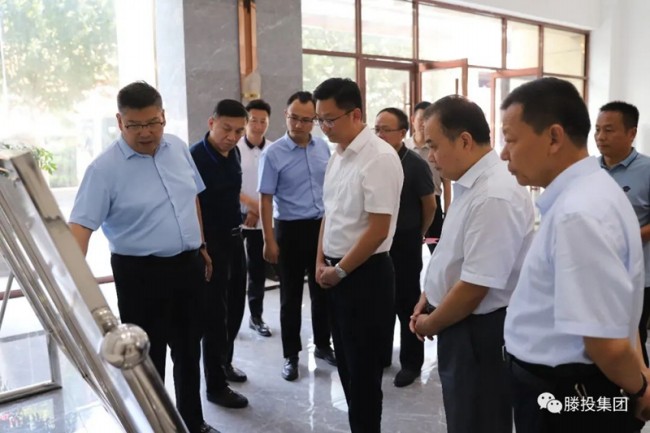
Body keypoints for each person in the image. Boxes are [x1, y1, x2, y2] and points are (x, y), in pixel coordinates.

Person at [500, 77, 649, 433]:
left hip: (567, 397)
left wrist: (641, 389)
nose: (504, 153)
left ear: (554, 137)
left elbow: (605, 343)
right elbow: (617, 312)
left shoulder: (578, 212)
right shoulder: (592, 191)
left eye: (510, 139)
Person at [69, 81, 219, 433]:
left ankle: (192, 422)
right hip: (140, 274)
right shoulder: (103, 169)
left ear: (163, 116)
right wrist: (75, 287)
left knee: (188, 349)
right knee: (148, 360)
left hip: (188, 266)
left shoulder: (178, 148)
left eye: (153, 122)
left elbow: (191, 198)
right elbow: (80, 228)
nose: (146, 132)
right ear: (119, 122)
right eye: (134, 125)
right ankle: (153, 427)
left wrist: (200, 245)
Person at [411, 95, 535, 433]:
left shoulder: (494, 194)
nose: (431, 157)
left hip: (478, 330)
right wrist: (428, 295)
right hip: (459, 321)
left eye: (434, 146)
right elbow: (455, 254)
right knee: (463, 415)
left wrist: (430, 323)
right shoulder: (470, 183)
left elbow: (475, 286)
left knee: (477, 419)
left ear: (464, 140)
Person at [314, 78, 403, 433]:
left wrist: (340, 271)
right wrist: (320, 261)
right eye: (320, 119)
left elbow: (379, 229)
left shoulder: (379, 157)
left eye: (329, 119)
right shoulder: (337, 156)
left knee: (364, 373)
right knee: (347, 367)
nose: (323, 127)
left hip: (365, 275)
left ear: (355, 114)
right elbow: (330, 214)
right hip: (335, 271)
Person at [258, 91, 335, 381]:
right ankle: (291, 355)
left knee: (322, 290)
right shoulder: (273, 153)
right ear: (285, 115)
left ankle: (323, 345)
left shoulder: (323, 147)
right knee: (290, 296)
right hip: (289, 230)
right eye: (294, 118)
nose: (299, 125)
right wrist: (269, 239)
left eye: (306, 119)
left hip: (320, 228)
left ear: (315, 120)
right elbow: (265, 199)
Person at [190, 99, 249, 409]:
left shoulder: (234, 152)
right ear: (211, 122)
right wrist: (201, 246)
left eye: (239, 131)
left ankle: (225, 362)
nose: (232, 136)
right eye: (227, 129)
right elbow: (191, 204)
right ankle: (215, 385)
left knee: (236, 306)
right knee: (214, 315)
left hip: (235, 238)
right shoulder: (195, 157)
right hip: (210, 244)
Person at [374, 107, 435, 387]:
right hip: (377, 242)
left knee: (406, 301)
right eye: (377, 129)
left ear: (402, 133)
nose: (380, 135)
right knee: (381, 300)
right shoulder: (374, 161)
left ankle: (411, 363)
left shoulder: (415, 164)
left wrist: (417, 233)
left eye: (386, 130)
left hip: (405, 241)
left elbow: (429, 205)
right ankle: (382, 355)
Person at [596, 101, 650, 366]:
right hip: (596, 273)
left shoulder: (647, 170)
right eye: (597, 130)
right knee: (600, 339)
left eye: (609, 130)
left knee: (632, 340)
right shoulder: (589, 170)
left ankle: (641, 386)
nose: (600, 137)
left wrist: (628, 236)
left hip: (636, 276)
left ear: (632, 133)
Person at [237, 98, 273, 337]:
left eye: (263, 121)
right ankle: (229, 320)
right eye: (253, 120)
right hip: (237, 217)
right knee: (233, 272)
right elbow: (231, 185)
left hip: (262, 221)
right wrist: (252, 208)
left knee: (257, 270)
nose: (258, 126)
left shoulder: (274, 149)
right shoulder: (236, 148)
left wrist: (258, 212)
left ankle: (256, 316)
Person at [405, 101, 451, 252]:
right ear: (413, 120)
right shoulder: (404, 147)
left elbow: (446, 182)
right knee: (411, 246)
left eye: (428, 120)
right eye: (421, 120)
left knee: (437, 245)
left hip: (434, 202)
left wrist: (448, 210)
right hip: (409, 203)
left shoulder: (437, 148)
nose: (423, 124)